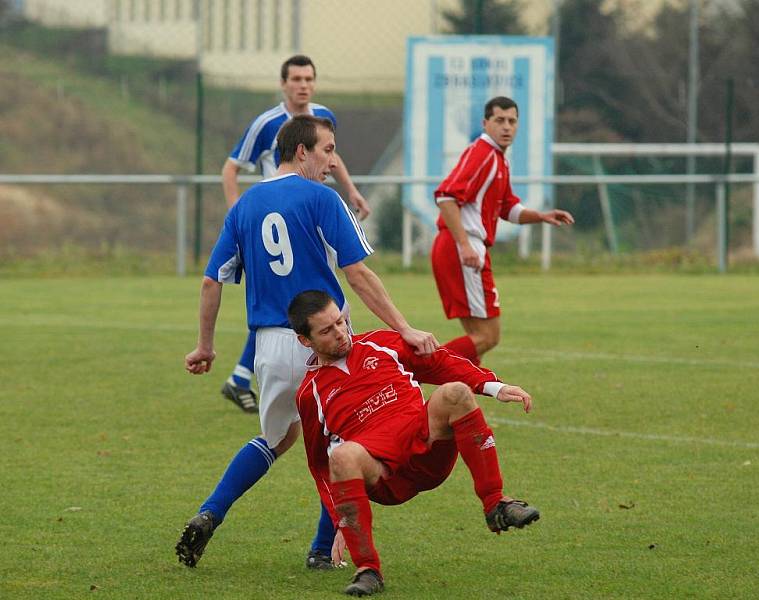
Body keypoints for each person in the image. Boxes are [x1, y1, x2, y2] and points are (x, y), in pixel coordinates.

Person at [175, 115, 437, 571]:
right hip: (328, 341)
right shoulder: (322, 199)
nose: (332, 162)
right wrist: (405, 327)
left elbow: (211, 282)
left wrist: (205, 346)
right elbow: (357, 274)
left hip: (272, 346)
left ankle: (212, 510)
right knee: (350, 442)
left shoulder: (244, 208)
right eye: (327, 150)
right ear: (301, 151)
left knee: (276, 439)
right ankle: (321, 549)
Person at [289, 289, 540, 596]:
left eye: (341, 322)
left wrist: (492, 385)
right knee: (342, 456)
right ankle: (368, 570)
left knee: (456, 392)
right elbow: (319, 466)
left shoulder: (380, 343)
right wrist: (339, 520)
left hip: (427, 448)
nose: (341, 333)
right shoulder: (309, 394)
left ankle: (495, 504)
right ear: (306, 340)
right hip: (385, 475)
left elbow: (438, 362)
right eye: (327, 331)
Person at [219, 54, 371, 413]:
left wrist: (351, 191)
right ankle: (342, 375)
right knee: (296, 301)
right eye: (296, 79)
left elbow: (333, 156)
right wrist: (238, 216)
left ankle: (243, 376)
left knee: (303, 301)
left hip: (311, 218)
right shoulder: (266, 123)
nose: (303, 85)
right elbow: (231, 168)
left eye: (309, 78)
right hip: (278, 217)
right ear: (284, 84)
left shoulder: (322, 118)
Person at [432, 96, 575, 365]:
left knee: (478, 338)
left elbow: (508, 209)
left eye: (512, 121)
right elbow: (445, 197)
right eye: (500, 120)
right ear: (485, 123)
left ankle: (463, 404)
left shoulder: (498, 159)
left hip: (462, 247)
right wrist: (464, 245)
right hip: (464, 247)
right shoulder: (482, 153)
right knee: (488, 336)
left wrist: (541, 216)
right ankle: (416, 368)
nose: (506, 127)